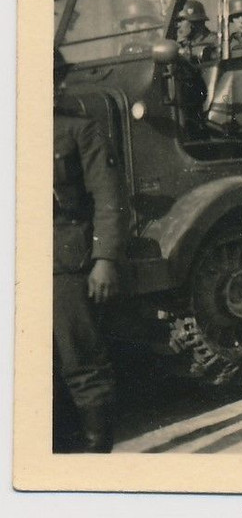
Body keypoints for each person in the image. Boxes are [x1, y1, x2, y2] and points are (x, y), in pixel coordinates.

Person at [53, 50, 130, 453]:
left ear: (58, 85)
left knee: (80, 359)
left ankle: (96, 458)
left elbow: (107, 196)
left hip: (63, 259)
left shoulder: (80, 131)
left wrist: (104, 259)